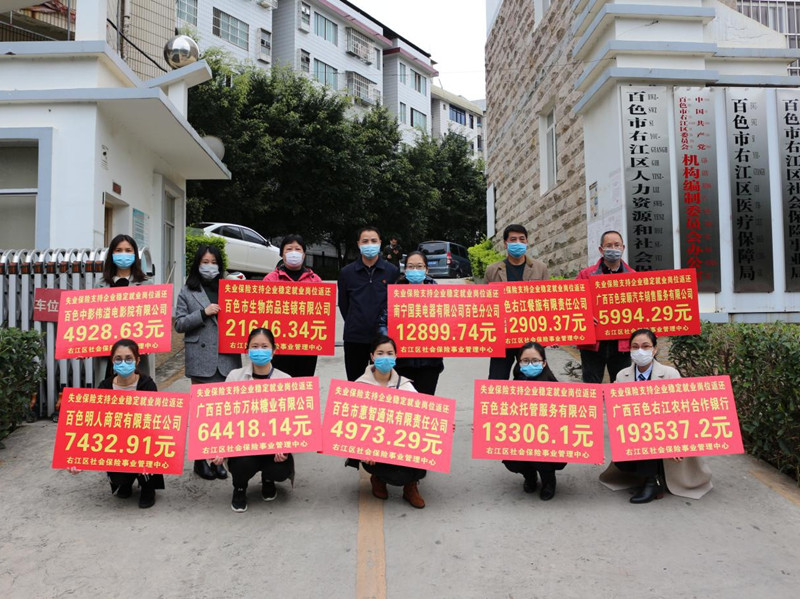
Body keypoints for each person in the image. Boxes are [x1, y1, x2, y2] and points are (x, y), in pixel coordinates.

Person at [600, 329, 713, 503]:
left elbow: (682, 412)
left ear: (654, 349)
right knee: (624, 461)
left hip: (666, 433)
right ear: (629, 350)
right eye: (635, 347)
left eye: (645, 346)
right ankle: (652, 475)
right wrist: (608, 397)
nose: (640, 351)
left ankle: (652, 482)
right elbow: (618, 412)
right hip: (634, 433)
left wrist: (678, 442)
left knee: (649, 435)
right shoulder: (622, 376)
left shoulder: (670, 374)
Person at [68, 339, 162, 508]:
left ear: (137, 360)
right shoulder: (104, 387)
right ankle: (124, 481)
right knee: (120, 479)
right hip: (116, 445)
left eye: (128, 358)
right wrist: (78, 457)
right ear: (112, 360)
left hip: (142, 442)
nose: (123, 363)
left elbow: (156, 425)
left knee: (149, 459)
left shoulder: (147, 385)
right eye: (118, 359)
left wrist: (149, 457)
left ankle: (148, 487)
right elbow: (93, 425)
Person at [174, 244, 241, 481]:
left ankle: (219, 458)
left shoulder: (229, 288)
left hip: (226, 357)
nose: (209, 266)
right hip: (201, 358)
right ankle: (200, 460)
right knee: (203, 413)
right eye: (205, 262)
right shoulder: (187, 290)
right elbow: (179, 324)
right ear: (197, 264)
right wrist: (203, 313)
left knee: (223, 413)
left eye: (214, 262)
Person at [210, 328, 294, 513]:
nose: (259, 351)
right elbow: (222, 416)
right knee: (242, 464)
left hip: (272, 446)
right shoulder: (235, 377)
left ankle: (268, 479)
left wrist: (285, 445)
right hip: (243, 447)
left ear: (274, 350)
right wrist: (219, 447)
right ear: (247, 350)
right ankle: (239, 488)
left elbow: (291, 421)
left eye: (264, 346)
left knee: (280, 469)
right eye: (254, 346)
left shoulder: (285, 380)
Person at [346, 335, 427, 508]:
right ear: (372, 356)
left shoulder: (405, 386)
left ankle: (411, 486)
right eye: (380, 353)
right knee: (388, 471)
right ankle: (378, 479)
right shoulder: (360, 387)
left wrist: (444, 427)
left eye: (390, 353)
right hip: (374, 451)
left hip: (401, 447)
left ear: (396, 356)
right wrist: (363, 449)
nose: (385, 357)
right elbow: (350, 424)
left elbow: (424, 418)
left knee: (423, 452)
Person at [501, 342, 566, 501]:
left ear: (544, 363)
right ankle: (530, 476)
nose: (530, 364)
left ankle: (548, 481)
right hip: (521, 439)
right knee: (511, 461)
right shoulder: (511, 388)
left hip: (547, 443)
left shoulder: (557, 390)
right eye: (525, 361)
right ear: (519, 363)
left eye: (535, 361)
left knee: (540, 457)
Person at [485, 224, 549, 380]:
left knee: (530, 379)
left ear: (527, 242)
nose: (518, 243)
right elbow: (485, 303)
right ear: (505, 244)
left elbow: (547, 301)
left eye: (522, 239)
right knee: (497, 379)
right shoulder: (492, 270)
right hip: (502, 336)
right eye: (513, 240)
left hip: (530, 335)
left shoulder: (540, 268)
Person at [338, 226, 400, 381]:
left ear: (380, 243)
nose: (369, 244)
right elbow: (344, 305)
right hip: (355, 338)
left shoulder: (391, 271)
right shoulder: (347, 273)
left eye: (373, 240)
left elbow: (395, 303)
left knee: (384, 383)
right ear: (358, 244)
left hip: (383, 339)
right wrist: (355, 321)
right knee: (356, 383)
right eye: (365, 241)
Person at [576, 230, 636, 384]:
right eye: (609, 245)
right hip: (593, 343)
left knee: (621, 387)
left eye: (617, 245)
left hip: (622, 343)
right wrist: (585, 316)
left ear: (623, 248)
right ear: (601, 250)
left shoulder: (633, 277)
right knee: (591, 387)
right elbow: (575, 304)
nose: (613, 249)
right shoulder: (586, 275)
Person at [383, 251, 444, 395]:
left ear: (426, 270)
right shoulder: (394, 294)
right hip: (402, 362)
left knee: (426, 403)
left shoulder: (439, 295)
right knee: (403, 404)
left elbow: (448, 325)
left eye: (419, 266)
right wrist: (388, 345)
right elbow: (382, 322)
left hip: (430, 363)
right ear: (405, 270)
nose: (415, 270)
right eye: (410, 267)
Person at [263, 234, 323, 377]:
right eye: (289, 249)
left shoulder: (315, 280)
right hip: (279, 345)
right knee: (280, 384)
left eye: (298, 249)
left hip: (307, 344)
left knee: (304, 384)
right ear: (282, 254)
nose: (293, 253)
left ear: (304, 254)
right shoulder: (271, 279)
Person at [94, 234, 151, 383]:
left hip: (135, 353)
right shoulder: (100, 285)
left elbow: (151, 318)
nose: (123, 254)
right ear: (111, 254)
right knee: (108, 392)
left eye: (128, 250)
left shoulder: (146, 285)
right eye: (118, 250)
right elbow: (92, 320)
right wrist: (83, 345)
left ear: (135, 254)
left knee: (136, 392)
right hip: (106, 354)